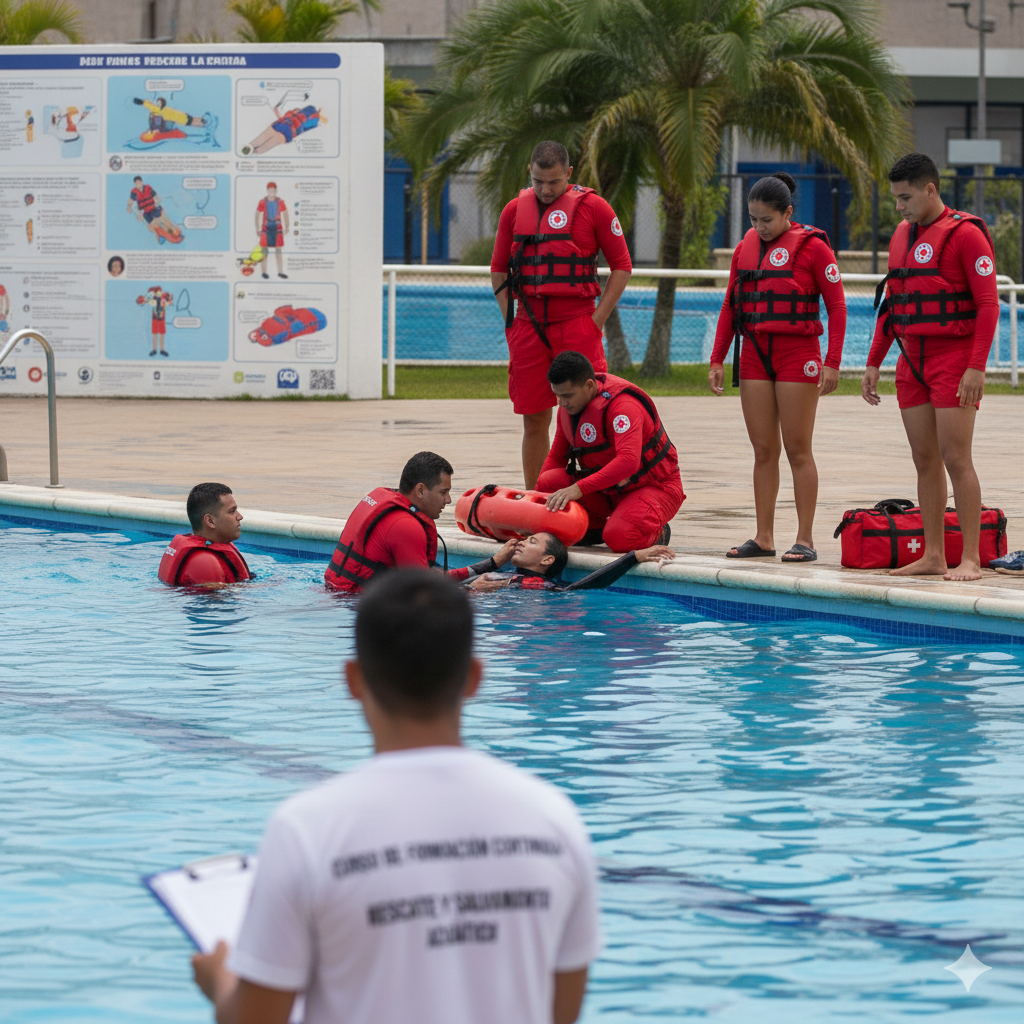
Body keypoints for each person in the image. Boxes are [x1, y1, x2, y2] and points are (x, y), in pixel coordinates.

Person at [191, 569, 601, 1024]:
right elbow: (562, 1012)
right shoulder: (553, 819)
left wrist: (220, 981)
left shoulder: (309, 829)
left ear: (353, 679)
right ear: (474, 677)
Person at [862, 152, 999, 581]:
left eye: (905, 198)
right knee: (924, 461)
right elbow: (894, 305)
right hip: (912, 360)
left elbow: (988, 305)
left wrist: (976, 367)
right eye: (895, 200)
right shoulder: (902, 236)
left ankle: (971, 558)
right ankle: (934, 554)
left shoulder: (967, 235)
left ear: (930, 189)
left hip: (953, 360)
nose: (899, 208)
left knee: (956, 458)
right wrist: (873, 363)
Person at [708, 172, 846, 563]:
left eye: (767, 220)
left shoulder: (814, 247)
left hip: (796, 354)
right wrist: (718, 358)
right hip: (754, 353)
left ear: (787, 213)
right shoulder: (744, 249)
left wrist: (831, 362)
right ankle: (764, 536)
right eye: (753, 220)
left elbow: (837, 307)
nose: (759, 227)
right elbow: (730, 305)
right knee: (763, 450)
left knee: (797, 449)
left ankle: (805, 539)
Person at [491, 141, 633, 489]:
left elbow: (622, 266)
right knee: (534, 419)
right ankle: (535, 501)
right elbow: (497, 269)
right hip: (528, 326)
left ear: (568, 174)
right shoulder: (514, 210)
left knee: (590, 412)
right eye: (538, 181)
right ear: (530, 172)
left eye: (553, 182)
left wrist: (597, 320)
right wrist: (510, 320)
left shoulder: (595, 208)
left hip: (577, 323)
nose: (545, 189)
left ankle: (596, 495)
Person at [536, 351, 684, 553]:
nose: (561, 403)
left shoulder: (623, 407)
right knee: (548, 481)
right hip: (608, 489)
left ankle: (657, 532)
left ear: (589, 386)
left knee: (619, 538)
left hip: (655, 487)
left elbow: (628, 462)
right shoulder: (570, 407)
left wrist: (578, 488)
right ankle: (594, 528)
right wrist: (535, 500)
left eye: (567, 396)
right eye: (557, 395)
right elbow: (555, 458)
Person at [325, 451, 515, 592]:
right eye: (443, 492)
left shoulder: (383, 500)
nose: (448, 500)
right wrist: (472, 591)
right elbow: (423, 596)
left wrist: (493, 562)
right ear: (421, 491)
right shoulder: (406, 526)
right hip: (354, 606)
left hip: (335, 595)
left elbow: (427, 576)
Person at [470, 532, 675, 591]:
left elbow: (589, 584)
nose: (521, 543)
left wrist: (632, 557)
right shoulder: (492, 577)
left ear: (547, 559)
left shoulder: (547, 587)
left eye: (531, 541)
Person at [158, 483, 251, 586]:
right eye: (232, 511)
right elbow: (217, 601)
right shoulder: (204, 562)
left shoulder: (210, 551)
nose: (240, 516)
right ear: (210, 521)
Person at [127, 176, 181, 242]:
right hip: (145, 211)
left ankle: (174, 231)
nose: (138, 184)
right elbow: (131, 201)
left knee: (163, 219)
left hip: (153, 207)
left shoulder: (148, 188)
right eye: (136, 183)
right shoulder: (134, 192)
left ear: (141, 182)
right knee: (152, 225)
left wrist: (158, 201)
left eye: (139, 182)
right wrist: (129, 207)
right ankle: (161, 235)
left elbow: (156, 196)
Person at [256, 182, 289, 279]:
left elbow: (285, 214)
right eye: (270, 191)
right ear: (267, 191)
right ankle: (264, 272)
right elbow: (257, 214)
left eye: (273, 191)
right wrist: (257, 228)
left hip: (277, 227)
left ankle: (280, 272)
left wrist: (287, 226)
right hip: (266, 228)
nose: (271, 193)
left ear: (276, 191)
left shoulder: (280, 202)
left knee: (278, 251)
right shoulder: (262, 202)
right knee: (264, 251)